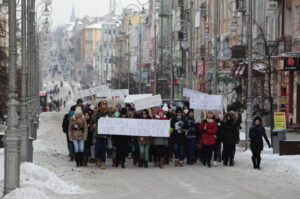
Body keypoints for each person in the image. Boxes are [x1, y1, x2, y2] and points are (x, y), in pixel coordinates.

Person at [92, 100, 111, 169]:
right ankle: (98, 159)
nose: (104, 106)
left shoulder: (108, 112)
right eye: (103, 105)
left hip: (105, 134)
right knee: (98, 148)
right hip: (98, 133)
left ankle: (103, 163)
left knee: (103, 149)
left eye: (105, 105)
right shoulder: (98, 112)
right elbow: (93, 118)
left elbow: (111, 121)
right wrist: (98, 115)